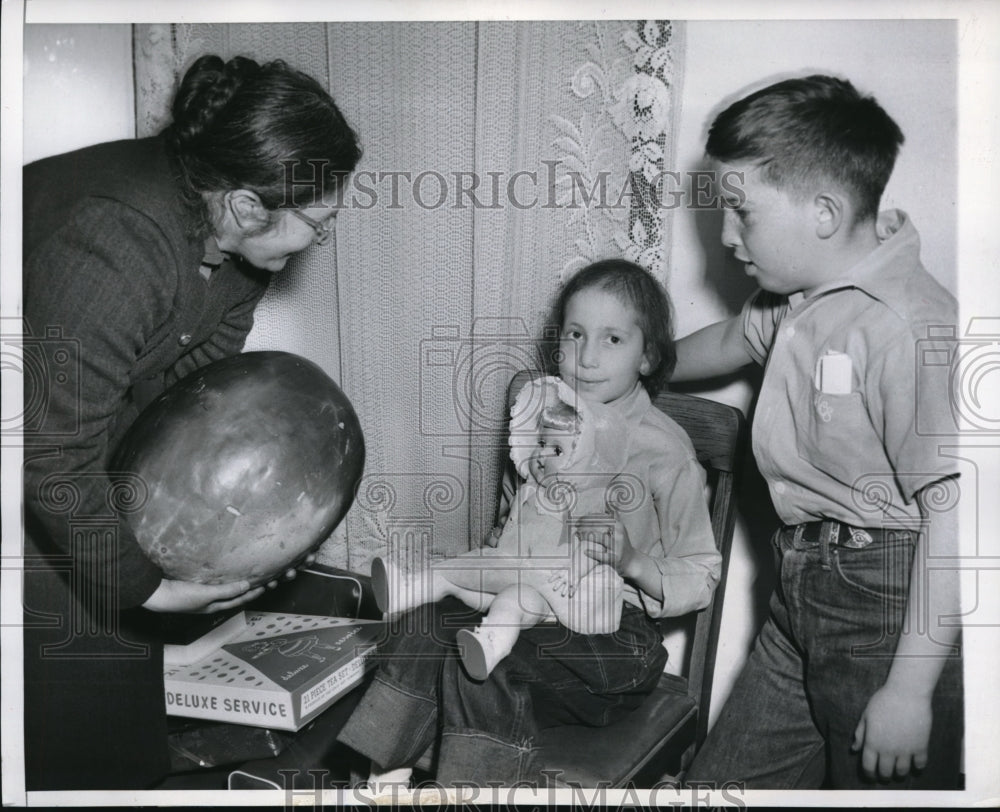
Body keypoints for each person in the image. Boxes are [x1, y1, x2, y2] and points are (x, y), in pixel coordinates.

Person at [21, 54, 362, 790]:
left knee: (111, 704)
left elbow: (177, 406)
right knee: (71, 715)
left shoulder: (237, 254)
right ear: (245, 206)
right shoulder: (114, 244)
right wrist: (150, 589)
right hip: (30, 463)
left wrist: (237, 529)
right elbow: (52, 463)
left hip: (62, 454)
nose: (317, 243)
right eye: (318, 224)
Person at [675, 75, 963, 789]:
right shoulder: (801, 301)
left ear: (825, 212)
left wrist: (908, 692)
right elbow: (729, 340)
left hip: (887, 610)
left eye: (740, 211)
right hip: (799, 593)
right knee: (721, 787)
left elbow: (962, 520)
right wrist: (633, 372)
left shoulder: (907, 324)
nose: (727, 236)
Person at [336, 258, 721, 789]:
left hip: (612, 636)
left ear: (648, 355)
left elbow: (700, 574)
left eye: (612, 340)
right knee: (423, 626)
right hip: (528, 607)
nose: (586, 358)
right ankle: (382, 777)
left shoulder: (664, 449)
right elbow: (513, 534)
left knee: (486, 662)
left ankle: (470, 791)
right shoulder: (540, 421)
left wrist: (632, 560)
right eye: (575, 334)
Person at [371, 373, 630, 680]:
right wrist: (504, 536)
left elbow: (597, 545)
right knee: (482, 593)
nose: (542, 456)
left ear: (587, 462)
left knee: (468, 569)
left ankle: (411, 588)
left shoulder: (585, 502)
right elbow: (512, 533)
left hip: (548, 591)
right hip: (518, 583)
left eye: (557, 451)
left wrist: (574, 570)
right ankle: (490, 643)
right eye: (542, 444)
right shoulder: (529, 492)